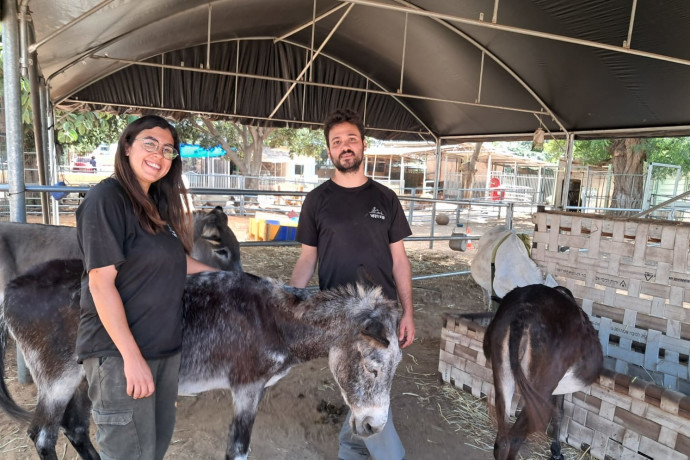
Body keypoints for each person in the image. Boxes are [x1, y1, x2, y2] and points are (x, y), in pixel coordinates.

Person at [76, 115, 218, 460]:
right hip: (120, 355)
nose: (159, 155)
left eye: (168, 150)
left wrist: (227, 278)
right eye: (149, 144)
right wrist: (132, 357)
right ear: (127, 146)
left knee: (152, 451)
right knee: (129, 452)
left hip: (163, 353)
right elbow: (100, 283)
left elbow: (177, 263)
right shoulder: (106, 200)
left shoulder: (154, 205)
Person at [290, 108, 415, 460]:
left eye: (351, 139)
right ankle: (369, 452)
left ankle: (353, 450)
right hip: (341, 318)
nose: (345, 146)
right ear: (329, 151)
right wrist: (290, 303)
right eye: (336, 142)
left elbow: (400, 261)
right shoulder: (317, 200)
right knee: (361, 388)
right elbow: (307, 259)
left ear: (363, 146)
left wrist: (408, 313)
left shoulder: (385, 198)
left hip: (383, 317)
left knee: (367, 388)